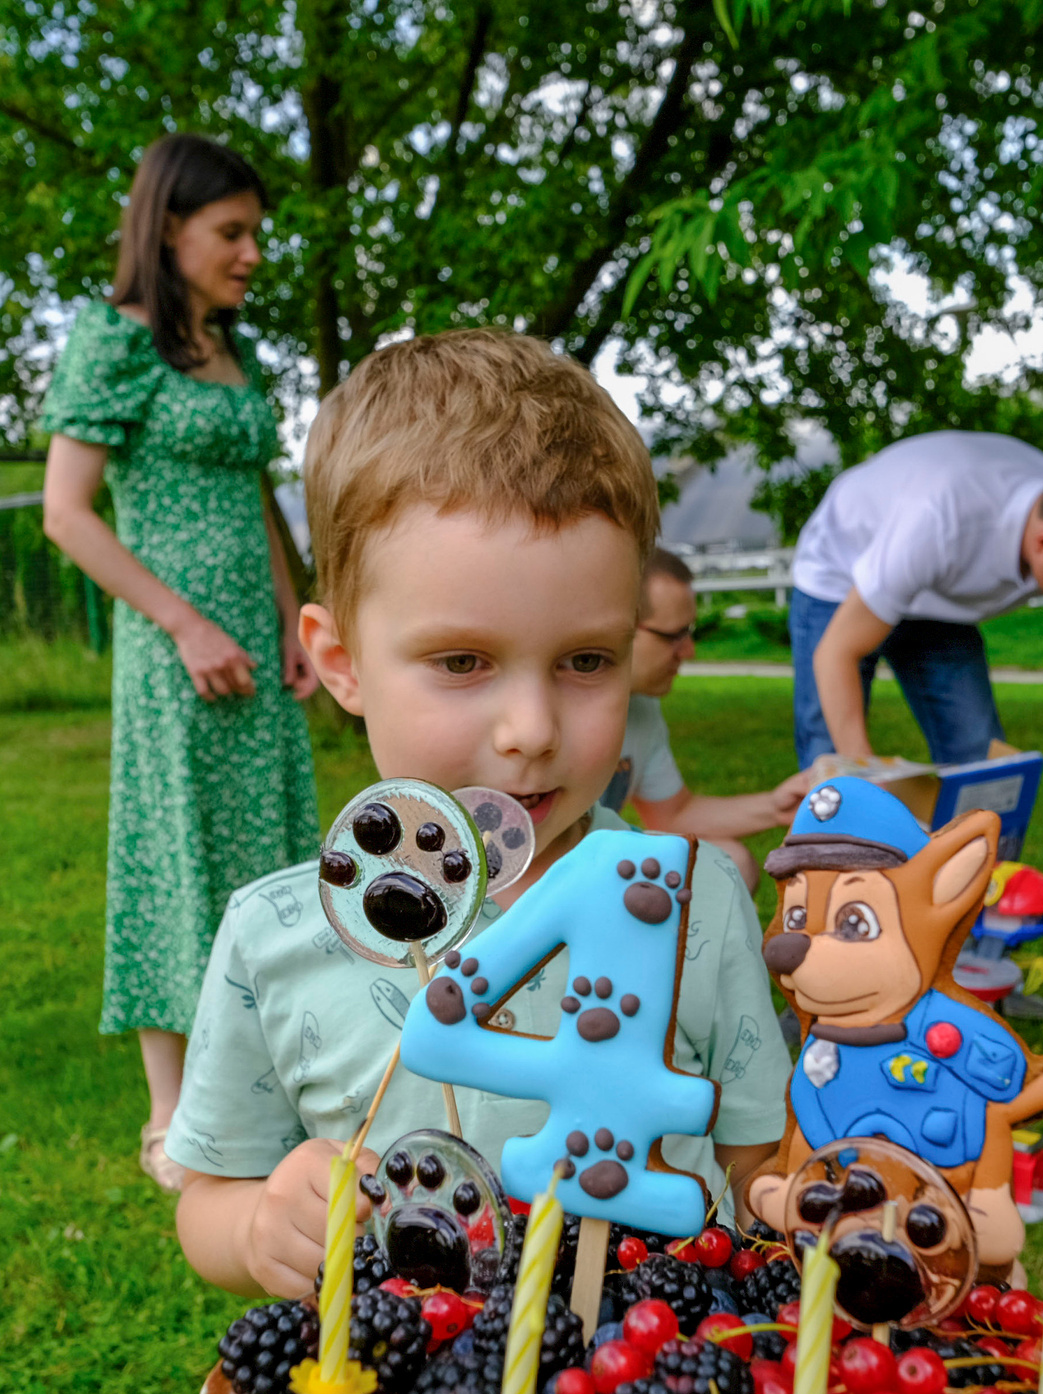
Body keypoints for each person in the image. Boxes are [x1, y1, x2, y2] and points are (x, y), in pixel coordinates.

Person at [164, 330, 792, 1299]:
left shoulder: (697, 905)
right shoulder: (271, 935)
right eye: (462, 662)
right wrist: (256, 1224)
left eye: (585, 661)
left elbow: (758, 1170)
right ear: (339, 663)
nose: (532, 731)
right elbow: (208, 1193)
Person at [41, 134, 321, 1192]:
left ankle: (274, 1079)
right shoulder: (114, 343)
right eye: (232, 233)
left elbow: (254, 500)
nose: (253, 253)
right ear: (168, 228)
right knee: (178, 854)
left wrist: (293, 617)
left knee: (272, 859)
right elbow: (69, 516)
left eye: (258, 233)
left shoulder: (227, 349)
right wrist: (185, 625)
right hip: (175, 652)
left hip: (255, 636)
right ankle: (170, 1118)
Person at [789, 431, 1043, 860]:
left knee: (985, 774)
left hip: (940, 600)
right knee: (833, 777)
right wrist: (865, 787)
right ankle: (833, 910)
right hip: (839, 577)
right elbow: (835, 653)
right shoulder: (942, 517)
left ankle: (979, 917)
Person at [602, 546, 810, 891]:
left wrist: (778, 807)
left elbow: (673, 815)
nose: (689, 651)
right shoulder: (555, 714)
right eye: (674, 636)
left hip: (597, 868)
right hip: (539, 892)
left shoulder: (641, 707)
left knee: (731, 862)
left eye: (690, 632)